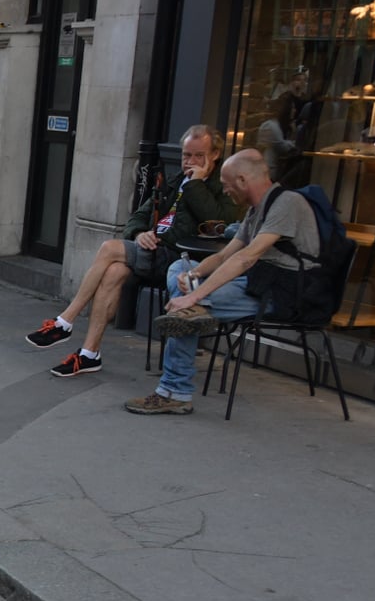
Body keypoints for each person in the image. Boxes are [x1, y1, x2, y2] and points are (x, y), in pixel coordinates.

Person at [24, 125, 237, 378]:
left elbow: (218, 222)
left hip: (180, 258)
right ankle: (89, 354)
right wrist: (139, 234)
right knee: (113, 271)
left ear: (214, 155)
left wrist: (195, 185)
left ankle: (65, 321)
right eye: (185, 155)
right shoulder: (176, 179)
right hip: (154, 249)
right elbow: (139, 215)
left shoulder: (221, 184)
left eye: (198, 156)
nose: (190, 161)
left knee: (109, 248)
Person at [128, 148, 302, 417]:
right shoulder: (257, 210)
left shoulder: (286, 203)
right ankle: (190, 317)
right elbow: (224, 256)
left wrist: (194, 296)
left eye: (225, 185)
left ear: (243, 180)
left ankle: (175, 391)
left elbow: (246, 258)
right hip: (255, 282)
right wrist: (194, 276)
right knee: (179, 269)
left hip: (279, 292)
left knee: (188, 309)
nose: (225, 191)